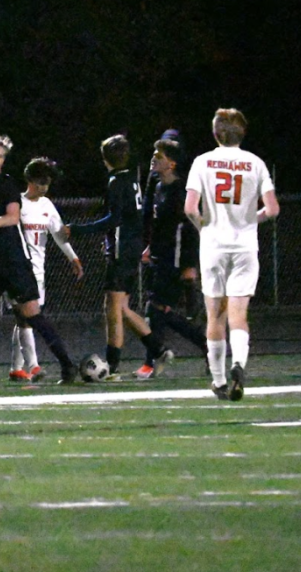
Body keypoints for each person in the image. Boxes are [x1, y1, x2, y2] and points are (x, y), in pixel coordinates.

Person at [0, 135, 78, 386]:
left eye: (0, 156)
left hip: (14, 260)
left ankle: (67, 366)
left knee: (32, 316)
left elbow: (12, 218)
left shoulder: (6, 185)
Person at [185, 108, 279, 401]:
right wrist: (253, 218)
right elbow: (273, 209)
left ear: (215, 133)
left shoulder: (202, 162)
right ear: (243, 133)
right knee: (239, 313)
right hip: (245, 246)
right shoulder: (255, 163)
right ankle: (239, 363)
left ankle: (218, 380)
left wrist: (205, 229)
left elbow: (190, 208)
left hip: (213, 245)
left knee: (216, 314)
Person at [65, 134, 171, 380]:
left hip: (122, 250)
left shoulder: (115, 181)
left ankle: (111, 365)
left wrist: (78, 229)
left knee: (113, 307)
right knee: (120, 307)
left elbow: (114, 220)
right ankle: (158, 349)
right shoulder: (131, 179)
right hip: (131, 248)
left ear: (105, 158)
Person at [138, 138, 207, 379]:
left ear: (173, 164)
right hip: (161, 256)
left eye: (160, 156)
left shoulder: (181, 192)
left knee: (154, 308)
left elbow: (189, 230)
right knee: (158, 311)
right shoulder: (157, 187)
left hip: (176, 259)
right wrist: (149, 247)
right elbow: (158, 226)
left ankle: (153, 360)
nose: (154, 158)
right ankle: (205, 345)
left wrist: (189, 265)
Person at [11, 157, 83, 382]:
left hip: (38, 271)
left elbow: (59, 235)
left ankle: (16, 367)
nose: (44, 187)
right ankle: (33, 366)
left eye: (47, 183)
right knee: (25, 316)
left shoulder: (47, 206)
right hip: (17, 268)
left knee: (26, 318)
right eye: (41, 182)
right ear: (30, 179)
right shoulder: (17, 203)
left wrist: (73, 257)